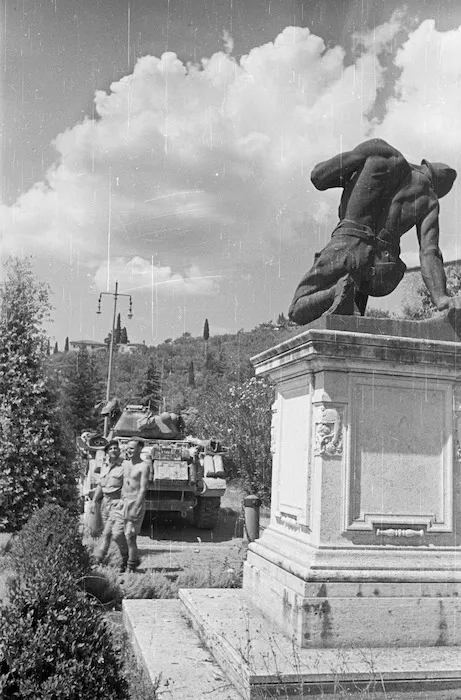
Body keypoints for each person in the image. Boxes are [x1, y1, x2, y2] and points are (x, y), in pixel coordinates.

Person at [288, 138, 458, 325]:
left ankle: (339, 291)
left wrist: (351, 179)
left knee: (297, 309)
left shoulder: (381, 151)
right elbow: (429, 252)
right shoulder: (430, 200)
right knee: (350, 321)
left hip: (349, 244)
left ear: (426, 166)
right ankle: (346, 294)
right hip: (383, 271)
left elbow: (318, 177)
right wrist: (441, 298)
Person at [111, 439, 150, 573]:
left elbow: (143, 489)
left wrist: (136, 507)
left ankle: (130, 567)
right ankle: (126, 558)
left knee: (130, 536)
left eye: (132, 448)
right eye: (127, 448)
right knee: (116, 534)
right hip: (123, 502)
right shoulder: (124, 463)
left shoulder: (144, 466)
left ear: (140, 449)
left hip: (135, 502)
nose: (129, 450)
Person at [92, 440, 128, 572]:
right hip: (105, 503)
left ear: (119, 451)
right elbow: (101, 485)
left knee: (116, 534)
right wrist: (94, 501)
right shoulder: (105, 466)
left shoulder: (124, 466)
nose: (113, 450)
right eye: (111, 449)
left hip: (117, 502)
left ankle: (100, 560)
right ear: (107, 452)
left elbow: (128, 485)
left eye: (115, 448)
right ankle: (122, 561)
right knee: (107, 533)